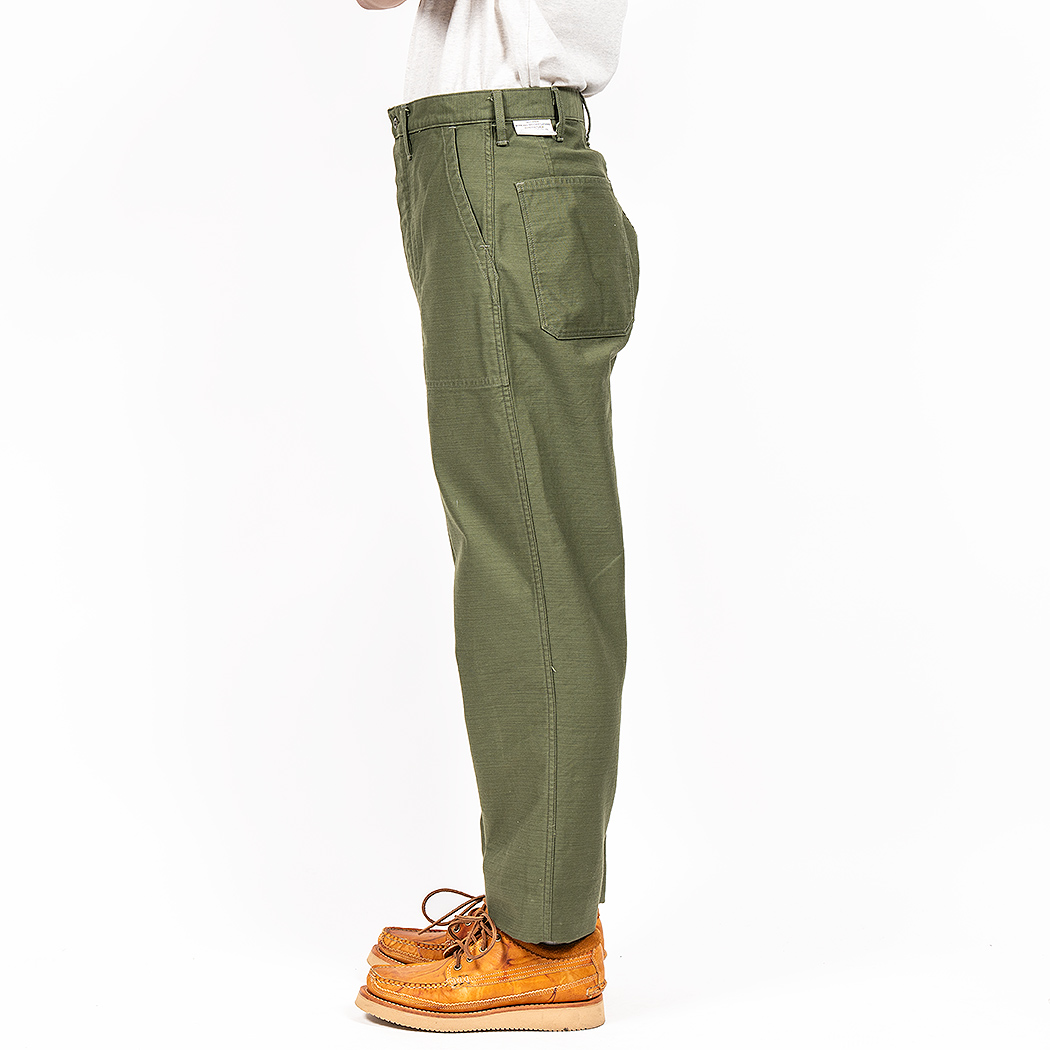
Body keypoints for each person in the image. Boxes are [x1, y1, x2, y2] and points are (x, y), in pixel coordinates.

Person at [353, 0, 639, 1032]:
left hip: (500, 162)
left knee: (529, 561)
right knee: (524, 547)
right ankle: (533, 908)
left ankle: (545, 940)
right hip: (494, 157)